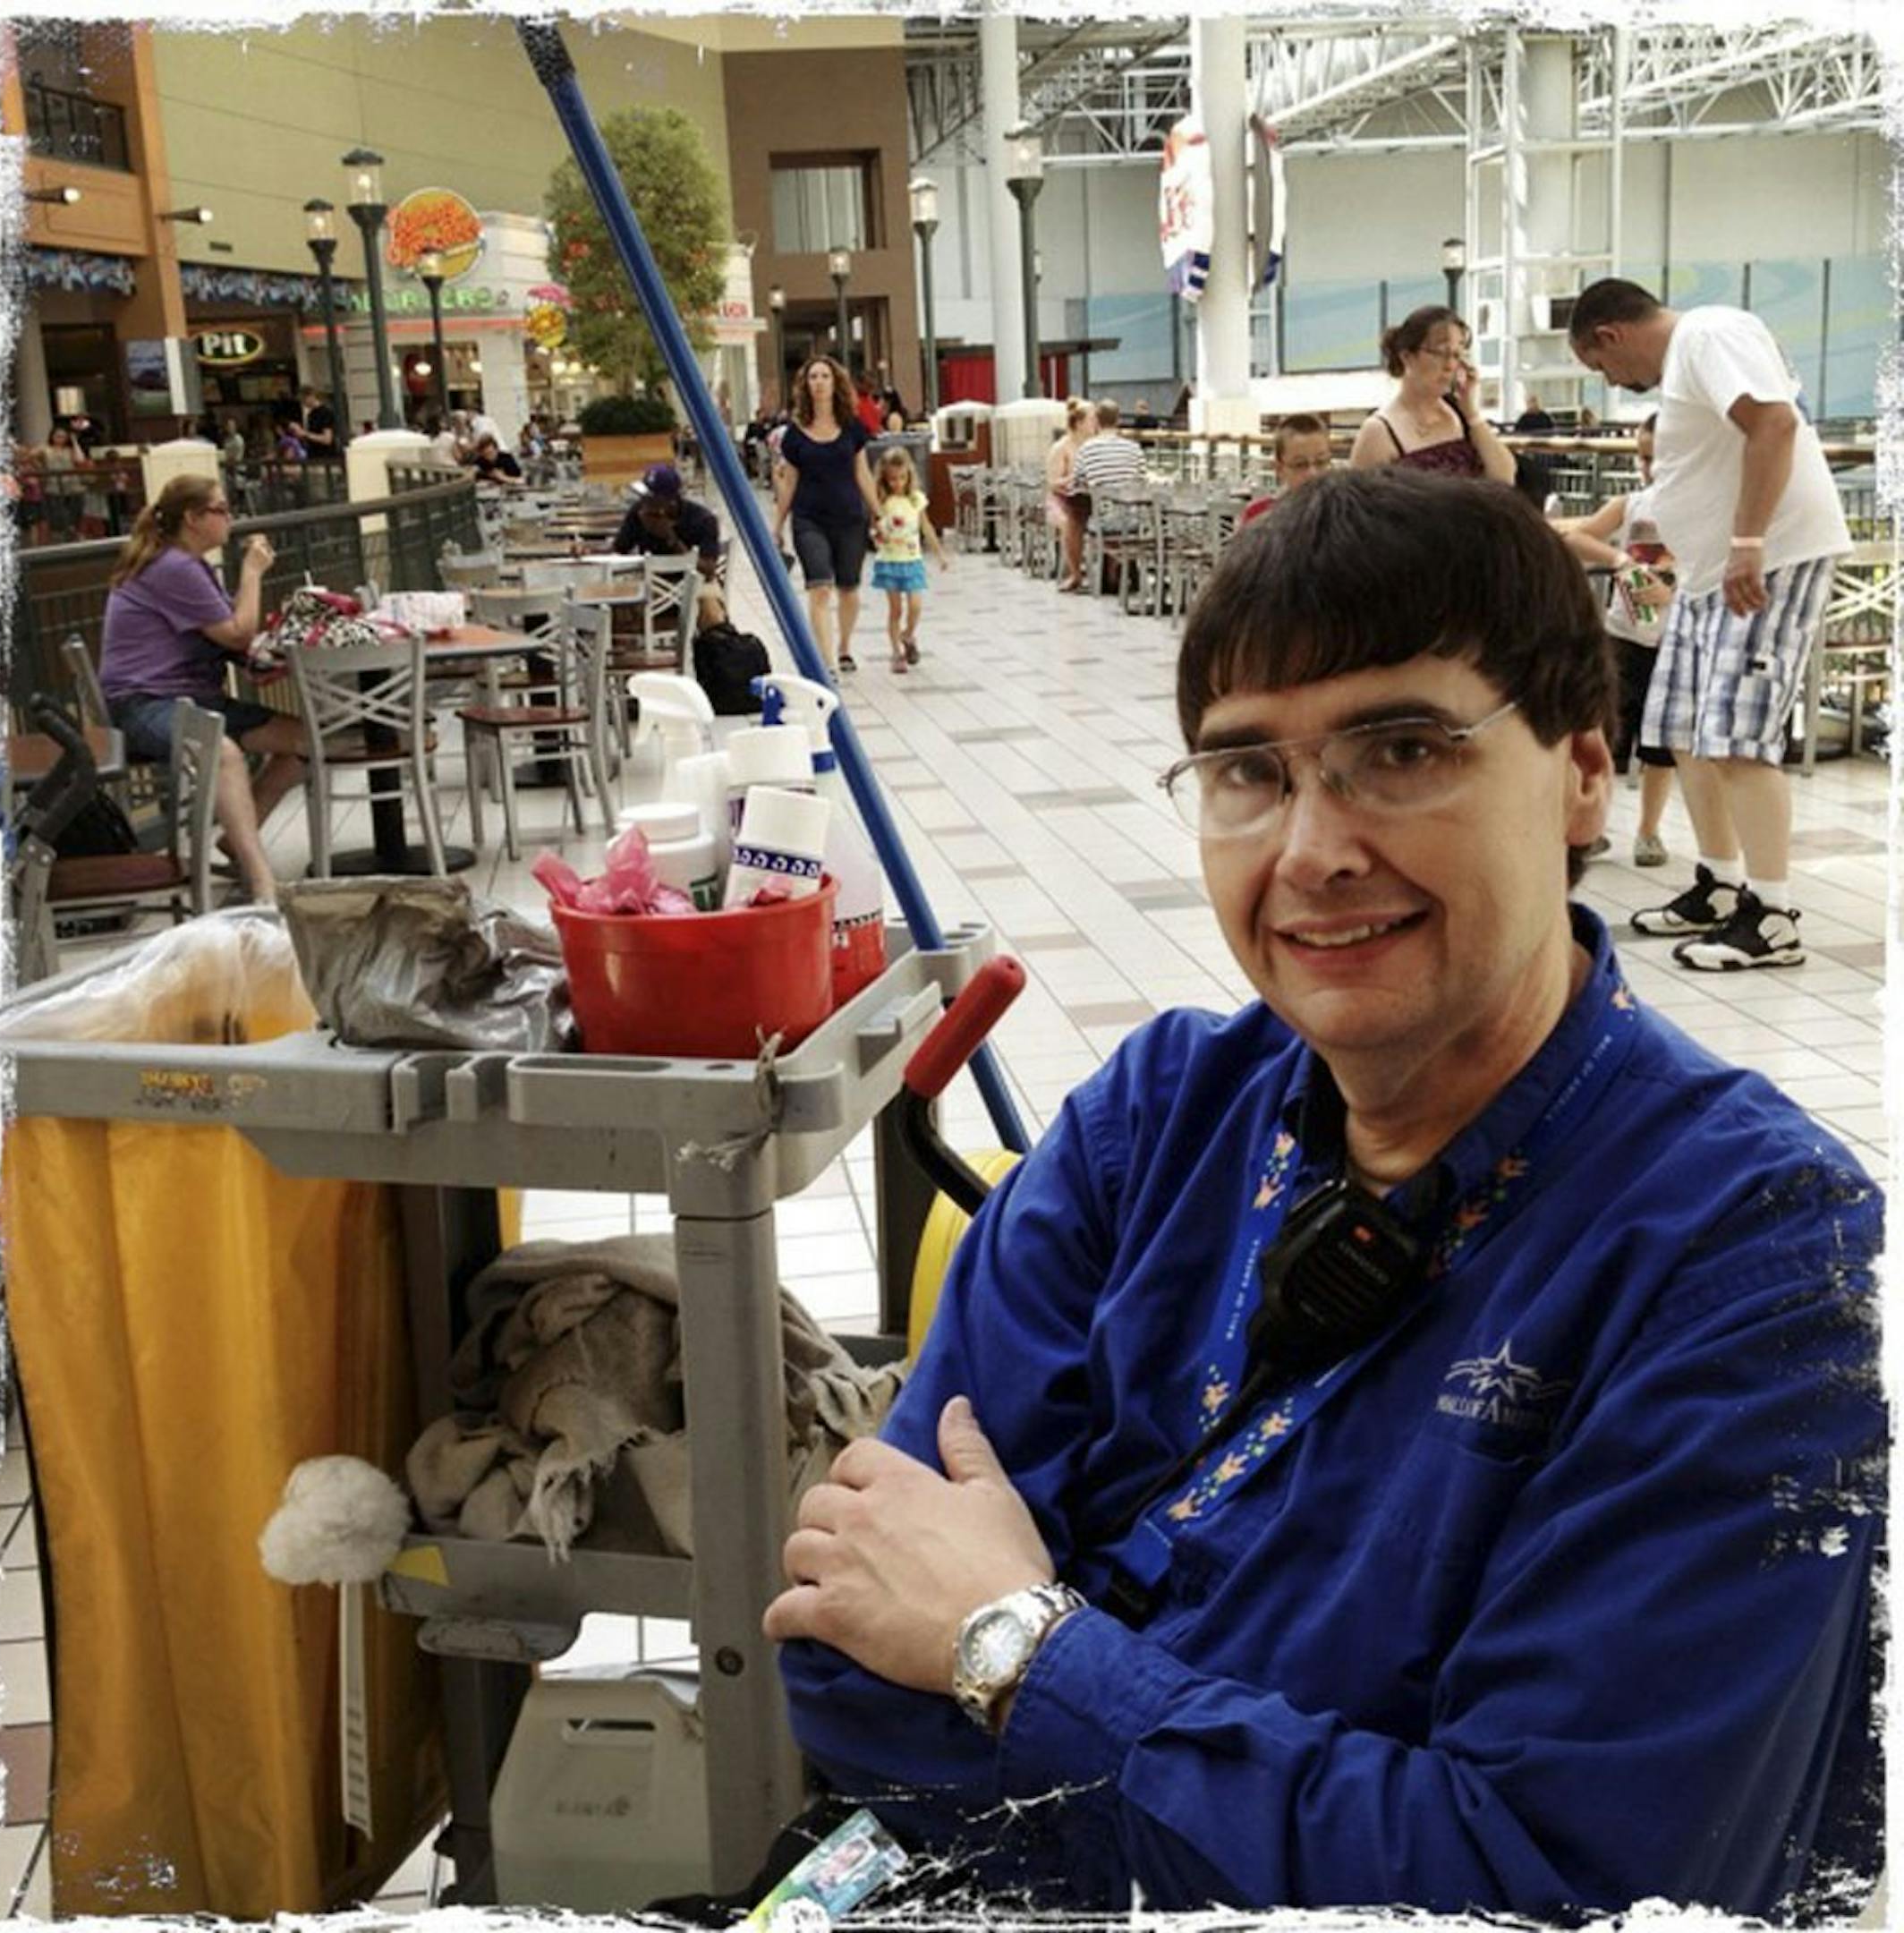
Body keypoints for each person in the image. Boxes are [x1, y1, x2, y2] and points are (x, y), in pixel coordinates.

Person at [765, 468, 1881, 1923]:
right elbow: (847, 1649)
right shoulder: (1153, 1122)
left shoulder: (1749, 1254)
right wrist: (1309, 1792)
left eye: (1401, 749)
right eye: (1249, 772)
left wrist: (1014, 1649)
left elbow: (1563, 1890)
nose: (1310, 852)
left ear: (1586, 770)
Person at [1568, 277, 1851, 969]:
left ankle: (1774, 913)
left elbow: (1774, 423)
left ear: (1609, 335)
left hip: (1768, 559)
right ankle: (1722, 885)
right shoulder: (1690, 359)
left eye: (1601, 368)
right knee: (1684, 732)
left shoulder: (1710, 332)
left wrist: (1748, 542)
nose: (1615, 381)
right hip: (1704, 576)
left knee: (1738, 736)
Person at [98, 474, 307, 904]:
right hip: (144, 703)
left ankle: (235, 842)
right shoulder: (173, 566)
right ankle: (262, 881)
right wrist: (252, 572)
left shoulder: (186, 565)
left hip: (194, 697)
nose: (231, 518)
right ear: (194, 518)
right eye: (222, 510)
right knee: (224, 752)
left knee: (308, 741)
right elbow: (237, 633)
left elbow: (224, 638)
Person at [1552, 412, 1678, 866]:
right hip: (1624, 634)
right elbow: (1576, 538)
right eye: (1644, 457)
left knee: (1660, 741)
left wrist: (1671, 589)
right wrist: (1620, 559)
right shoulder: (1631, 505)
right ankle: (1592, 826)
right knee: (1604, 728)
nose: (1650, 467)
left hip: (1671, 639)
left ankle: (1649, 829)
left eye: (1659, 456)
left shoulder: (1702, 510)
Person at [772, 354, 880, 677]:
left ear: (836, 383)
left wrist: (879, 514)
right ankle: (827, 661)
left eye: (824, 376)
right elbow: (789, 482)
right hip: (809, 519)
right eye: (813, 377)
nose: (818, 382)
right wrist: (777, 525)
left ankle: (844, 646)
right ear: (805, 385)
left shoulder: (852, 429)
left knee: (848, 588)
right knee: (819, 587)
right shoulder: (795, 434)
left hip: (849, 517)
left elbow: (863, 474)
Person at [1349, 306, 1517, 486]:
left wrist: (1471, 413)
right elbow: (1362, 505)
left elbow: (1504, 478)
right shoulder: (1380, 431)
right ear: (1407, 357)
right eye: (1441, 353)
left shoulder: (1459, 414)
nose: (1450, 365)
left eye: (1457, 355)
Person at [870, 444, 948, 674]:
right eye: (892, 479)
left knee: (915, 605)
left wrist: (939, 553)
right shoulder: (882, 501)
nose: (897, 483)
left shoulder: (916, 499)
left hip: (912, 559)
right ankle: (896, 651)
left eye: (902, 478)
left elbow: (926, 526)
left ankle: (908, 634)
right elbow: (875, 527)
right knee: (895, 610)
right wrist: (877, 534)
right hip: (890, 560)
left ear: (909, 475)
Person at [614, 462, 723, 578]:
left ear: (671, 502)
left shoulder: (703, 520)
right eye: (643, 496)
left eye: (650, 498)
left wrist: (671, 539)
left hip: (693, 582)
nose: (644, 501)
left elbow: (708, 570)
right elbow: (620, 550)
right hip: (649, 582)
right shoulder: (639, 511)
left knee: (710, 596)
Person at [1238, 413, 1332, 526]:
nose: (1312, 473)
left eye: (1320, 462)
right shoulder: (1259, 516)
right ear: (1279, 469)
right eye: (1300, 464)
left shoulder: (1344, 516)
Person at [1044, 399, 1093, 591]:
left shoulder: (1092, 447)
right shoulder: (1061, 448)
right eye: (1091, 420)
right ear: (1079, 424)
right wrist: (1075, 477)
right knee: (1069, 523)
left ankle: (1110, 574)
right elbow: (1052, 483)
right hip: (1059, 501)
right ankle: (1075, 573)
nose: (1095, 424)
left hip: (1084, 499)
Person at [1069, 397, 1147, 497]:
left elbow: (1077, 486)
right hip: (1127, 509)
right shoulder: (1135, 449)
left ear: (1097, 420)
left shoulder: (1085, 450)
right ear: (1118, 420)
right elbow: (1142, 483)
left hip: (1098, 509)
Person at [293, 386, 337, 457]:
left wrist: (305, 434)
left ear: (311, 396)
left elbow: (327, 439)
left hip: (325, 456)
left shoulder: (326, 413)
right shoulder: (310, 414)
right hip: (313, 455)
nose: (303, 404)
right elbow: (311, 435)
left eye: (304, 400)